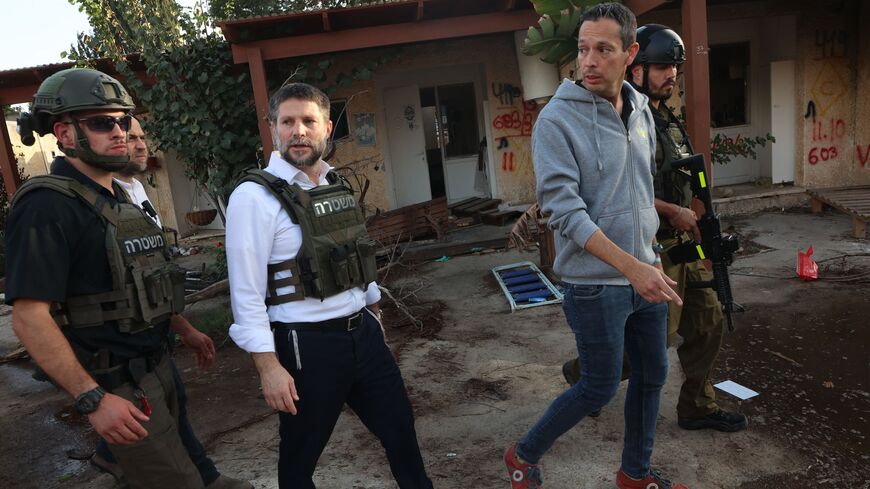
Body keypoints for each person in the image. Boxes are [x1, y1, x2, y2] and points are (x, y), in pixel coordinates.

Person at [503, 4, 691, 489]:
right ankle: (523, 455)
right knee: (598, 387)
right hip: (594, 284)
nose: (589, 61)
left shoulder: (643, 111)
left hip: (643, 273)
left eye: (603, 50)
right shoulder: (556, 122)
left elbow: (636, 187)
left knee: (652, 378)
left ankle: (635, 474)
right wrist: (633, 268)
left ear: (629, 53)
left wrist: (661, 226)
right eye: (583, 49)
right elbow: (564, 213)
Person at [225, 82, 433, 489]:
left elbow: (355, 254)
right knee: (301, 457)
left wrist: (374, 311)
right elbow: (245, 294)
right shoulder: (254, 197)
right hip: (306, 347)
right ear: (273, 128)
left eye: (308, 121)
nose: (298, 131)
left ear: (326, 128)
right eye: (288, 122)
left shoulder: (335, 183)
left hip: (363, 337)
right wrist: (268, 367)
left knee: (401, 435)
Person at [7, 68, 201, 488]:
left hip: (156, 368)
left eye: (122, 120)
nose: (119, 131)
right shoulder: (46, 207)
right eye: (100, 122)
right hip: (114, 384)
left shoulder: (117, 198)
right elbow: (29, 316)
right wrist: (91, 398)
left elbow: (138, 284)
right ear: (65, 133)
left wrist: (183, 329)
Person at [561, 24, 748, 434]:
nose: (672, 75)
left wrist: (697, 220)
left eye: (675, 67)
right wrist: (672, 211)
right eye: (663, 66)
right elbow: (623, 187)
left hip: (683, 240)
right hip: (651, 246)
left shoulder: (665, 120)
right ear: (635, 66)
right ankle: (585, 377)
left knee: (708, 320)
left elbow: (679, 177)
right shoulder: (623, 119)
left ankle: (697, 406)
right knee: (654, 338)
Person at [87, 116, 253, 489]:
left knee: (172, 401)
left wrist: (185, 328)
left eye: (143, 136)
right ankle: (200, 477)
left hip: (155, 332)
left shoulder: (138, 192)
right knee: (156, 412)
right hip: (121, 345)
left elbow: (153, 276)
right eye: (130, 137)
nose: (140, 144)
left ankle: (114, 456)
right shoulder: (99, 203)